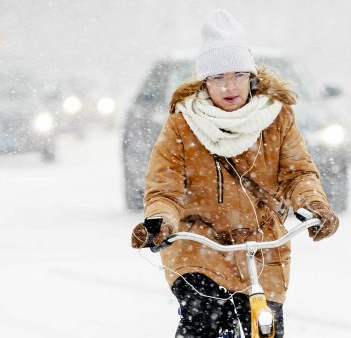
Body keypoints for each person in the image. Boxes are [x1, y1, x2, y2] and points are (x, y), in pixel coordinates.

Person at [131, 9, 339, 338]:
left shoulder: (277, 117)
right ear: (204, 81)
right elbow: (164, 188)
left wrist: (314, 204)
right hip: (198, 247)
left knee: (267, 328)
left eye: (238, 75)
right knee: (203, 321)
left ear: (251, 76)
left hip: (262, 246)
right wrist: (161, 220)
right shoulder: (183, 124)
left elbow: (298, 174)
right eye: (218, 77)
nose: (229, 86)